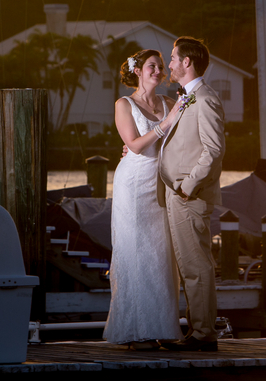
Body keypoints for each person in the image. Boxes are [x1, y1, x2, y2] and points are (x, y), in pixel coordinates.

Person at [103, 49, 183, 351]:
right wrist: (165, 124)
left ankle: (162, 327)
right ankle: (136, 331)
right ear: (137, 71)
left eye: (161, 67)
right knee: (136, 254)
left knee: (161, 256)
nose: (159, 71)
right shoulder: (124, 104)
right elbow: (134, 146)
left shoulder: (169, 103)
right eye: (152, 66)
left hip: (161, 184)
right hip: (134, 185)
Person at [156, 37, 226, 352]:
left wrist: (187, 186)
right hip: (176, 195)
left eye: (172, 58)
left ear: (187, 62)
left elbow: (213, 150)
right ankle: (197, 330)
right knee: (188, 266)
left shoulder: (206, 99)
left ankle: (203, 334)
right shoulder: (186, 97)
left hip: (189, 196)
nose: (169, 64)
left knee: (196, 265)